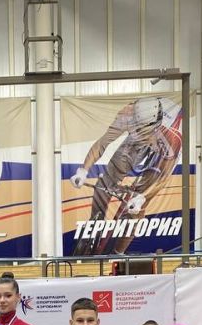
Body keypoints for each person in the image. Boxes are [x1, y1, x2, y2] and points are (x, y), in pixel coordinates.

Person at [70, 96, 182, 256]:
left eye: (141, 130)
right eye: (136, 128)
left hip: (162, 151)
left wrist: (142, 197)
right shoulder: (127, 113)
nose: (137, 132)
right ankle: (96, 223)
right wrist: (83, 170)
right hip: (136, 142)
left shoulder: (173, 137)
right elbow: (103, 143)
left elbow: (162, 178)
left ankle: (118, 252)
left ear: (155, 125)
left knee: (138, 206)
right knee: (107, 181)